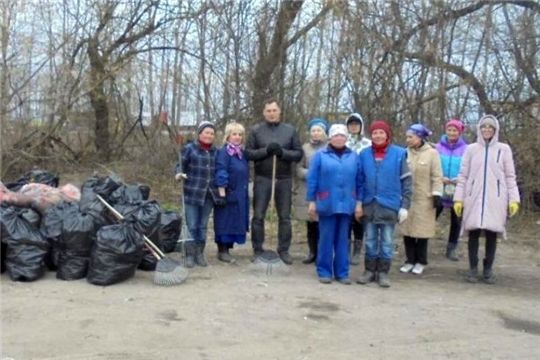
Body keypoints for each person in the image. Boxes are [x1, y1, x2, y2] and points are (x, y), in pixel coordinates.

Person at [453, 115, 520, 284]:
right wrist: (458, 199)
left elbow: (510, 176)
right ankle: (473, 268)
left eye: (490, 127)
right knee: (473, 233)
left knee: (492, 233)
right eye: (484, 127)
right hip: (473, 196)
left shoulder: (503, 149)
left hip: (496, 197)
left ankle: (488, 269)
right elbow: (463, 176)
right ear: (479, 129)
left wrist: (514, 199)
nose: (487, 130)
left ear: (495, 129)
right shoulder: (471, 149)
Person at [245, 98, 303, 265]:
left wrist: (282, 152)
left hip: (283, 179)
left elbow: (298, 154)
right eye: (268, 111)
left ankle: (283, 250)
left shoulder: (290, 130)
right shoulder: (256, 130)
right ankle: (257, 249)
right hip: (263, 178)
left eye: (274, 110)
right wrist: (265, 151)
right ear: (264, 113)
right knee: (258, 216)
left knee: (284, 216)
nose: (271, 114)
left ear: (279, 112)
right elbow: (248, 153)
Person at [356, 120, 412, 287]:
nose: (378, 136)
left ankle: (383, 272)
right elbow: (359, 181)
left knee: (387, 241)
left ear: (387, 135)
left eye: (381, 132)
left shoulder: (399, 153)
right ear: (370, 135)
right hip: (369, 204)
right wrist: (358, 202)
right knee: (370, 240)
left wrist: (405, 206)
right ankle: (369, 271)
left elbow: (406, 182)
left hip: (389, 205)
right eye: (375, 133)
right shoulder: (364, 154)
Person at [306, 124, 362, 284]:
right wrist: (312, 201)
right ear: (330, 137)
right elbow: (312, 179)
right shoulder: (320, 155)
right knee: (325, 238)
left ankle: (342, 273)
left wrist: (358, 202)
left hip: (346, 204)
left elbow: (360, 181)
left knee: (343, 240)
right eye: (336, 135)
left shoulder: (353, 156)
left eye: (342, 136)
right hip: (326, 202)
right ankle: (324, 271)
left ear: (346, 138)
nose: (339, 138)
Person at [400, 124, 444, 276]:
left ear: (420, 137)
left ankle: (421, 261)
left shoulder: (432, 153)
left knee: (422, 232)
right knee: (407, 230)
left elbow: (437, 176)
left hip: (424, 198)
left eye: (411, 137)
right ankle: (409, 260)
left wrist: (437, 194)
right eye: (407, 137)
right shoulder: (404, 153)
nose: (408, 140)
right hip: (407, 198)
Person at [175, 121, 219, 268]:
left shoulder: (215, 152)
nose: (209, 136)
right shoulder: (190, 149)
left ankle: (199, 253)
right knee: (191, 225)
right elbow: (180, 165)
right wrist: (178, 174)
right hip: (192, 193)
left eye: (212, 133)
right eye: (206, 132)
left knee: (202, 226)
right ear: (200, 134)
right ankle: (189, 254)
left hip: (209, 194)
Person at [213, 122, 249, 263]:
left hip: (240, 193)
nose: (237, 137)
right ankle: (222, 251)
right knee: (225, 221)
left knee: (236, 221)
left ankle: (229, 247)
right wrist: (222, 191)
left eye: (240, 134)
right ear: (228, 136)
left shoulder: (240, 153)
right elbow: (221, 170)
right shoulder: (224, 152)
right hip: (228, 193)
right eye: (234, 134)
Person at [295, 118, 329, 265]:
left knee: (323, 223)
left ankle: (323, 253)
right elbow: (298, 169)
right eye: (313, 130)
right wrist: (312, 174)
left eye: (319, 130)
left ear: (324, 132)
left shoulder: (330, 147)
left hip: (326, 190)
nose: (316, 133)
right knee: (311, 224)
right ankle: (312, 252)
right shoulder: (304, 148)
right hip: (308, 189)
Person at [435, 119, 468, 261]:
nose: (451, 133)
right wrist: (440, 177)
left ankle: (452, 248)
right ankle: (421, 243)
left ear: (460, 132)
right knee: (431, 216)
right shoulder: (437, 147)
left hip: (458, 189)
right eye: (449, 130)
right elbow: (434, 165)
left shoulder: (466, 149)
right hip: (439, 187)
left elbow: (468, 167)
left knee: (457, 220)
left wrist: (459, 178)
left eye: (455, 130)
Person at [345, 112, 372, 266]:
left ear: (361, 126)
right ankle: (346, 249)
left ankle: (357, 250)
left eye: (356, 124)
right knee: (347, 218)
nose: (354, 127)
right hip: (346, 185)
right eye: (351, 124)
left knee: (359, 218)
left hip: (363, 184)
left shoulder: (367, 144)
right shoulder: (342, 141)